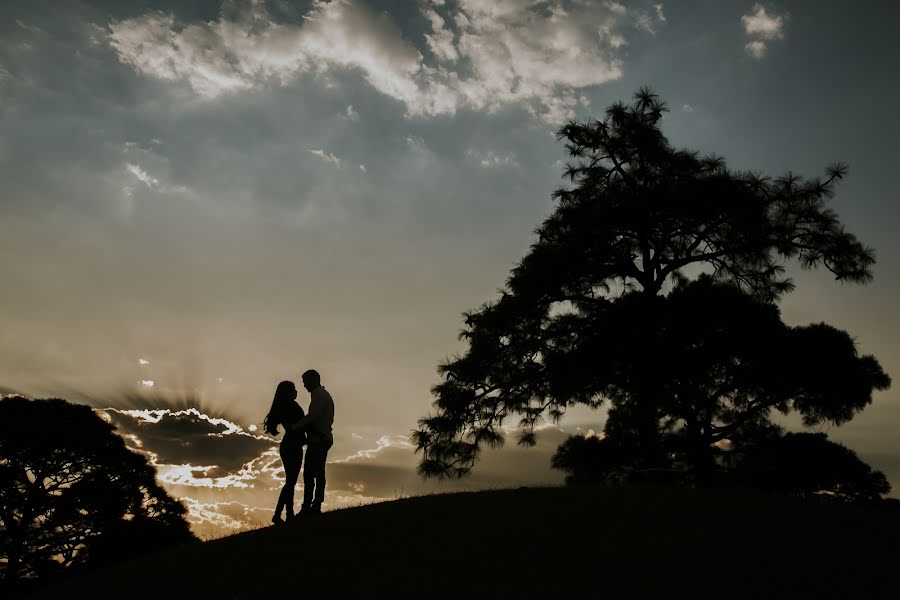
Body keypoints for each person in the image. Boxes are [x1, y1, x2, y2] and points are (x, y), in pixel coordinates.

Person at [291, 369, 334, 515]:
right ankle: (312, 505)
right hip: (319, 439)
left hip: (319, 440)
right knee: (314, 473)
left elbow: (312, 417)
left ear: (313, 380)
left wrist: (295, 427)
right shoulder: (320, 396)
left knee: (312, 473)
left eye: (305, 382)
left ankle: (312, 506)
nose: (304, 386)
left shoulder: (320, 397)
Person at [263, 380, 307, 524]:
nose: (296, 392)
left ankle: (286, 514)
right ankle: (282, 514)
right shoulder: (291, 406)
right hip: (293, 445)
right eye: (294, 389)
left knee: (290, 481)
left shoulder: (283, 407)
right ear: (288, 392)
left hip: (288, 445)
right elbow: (298, 426)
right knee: (291, 482)